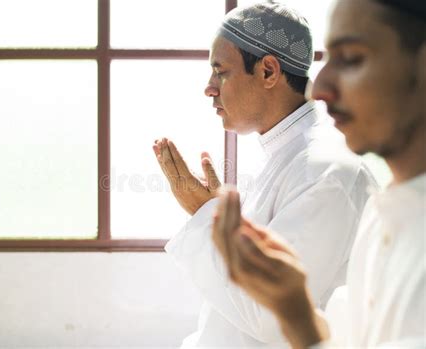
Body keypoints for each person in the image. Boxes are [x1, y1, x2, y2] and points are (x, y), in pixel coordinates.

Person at [153, 2, 376, 347]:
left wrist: (204, 216)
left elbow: (270, 318)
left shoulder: (326, 171)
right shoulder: (285, 157)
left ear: (268, 71)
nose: (209, 88)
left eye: (220, 71)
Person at [212, 0, 426, 347]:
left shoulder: (329, 172)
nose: (320, 87)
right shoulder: (384, 216)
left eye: (353, 58)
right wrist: (293, 308)